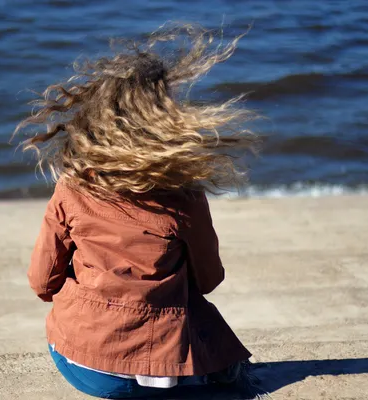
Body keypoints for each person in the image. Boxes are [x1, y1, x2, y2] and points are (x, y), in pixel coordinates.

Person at [15, 23, 260, 399]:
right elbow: (209, 279)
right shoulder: (184, 196)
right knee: (194, 309)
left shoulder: (72, 187)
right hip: (161, 373)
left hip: (81, 366)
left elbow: (41, 283)